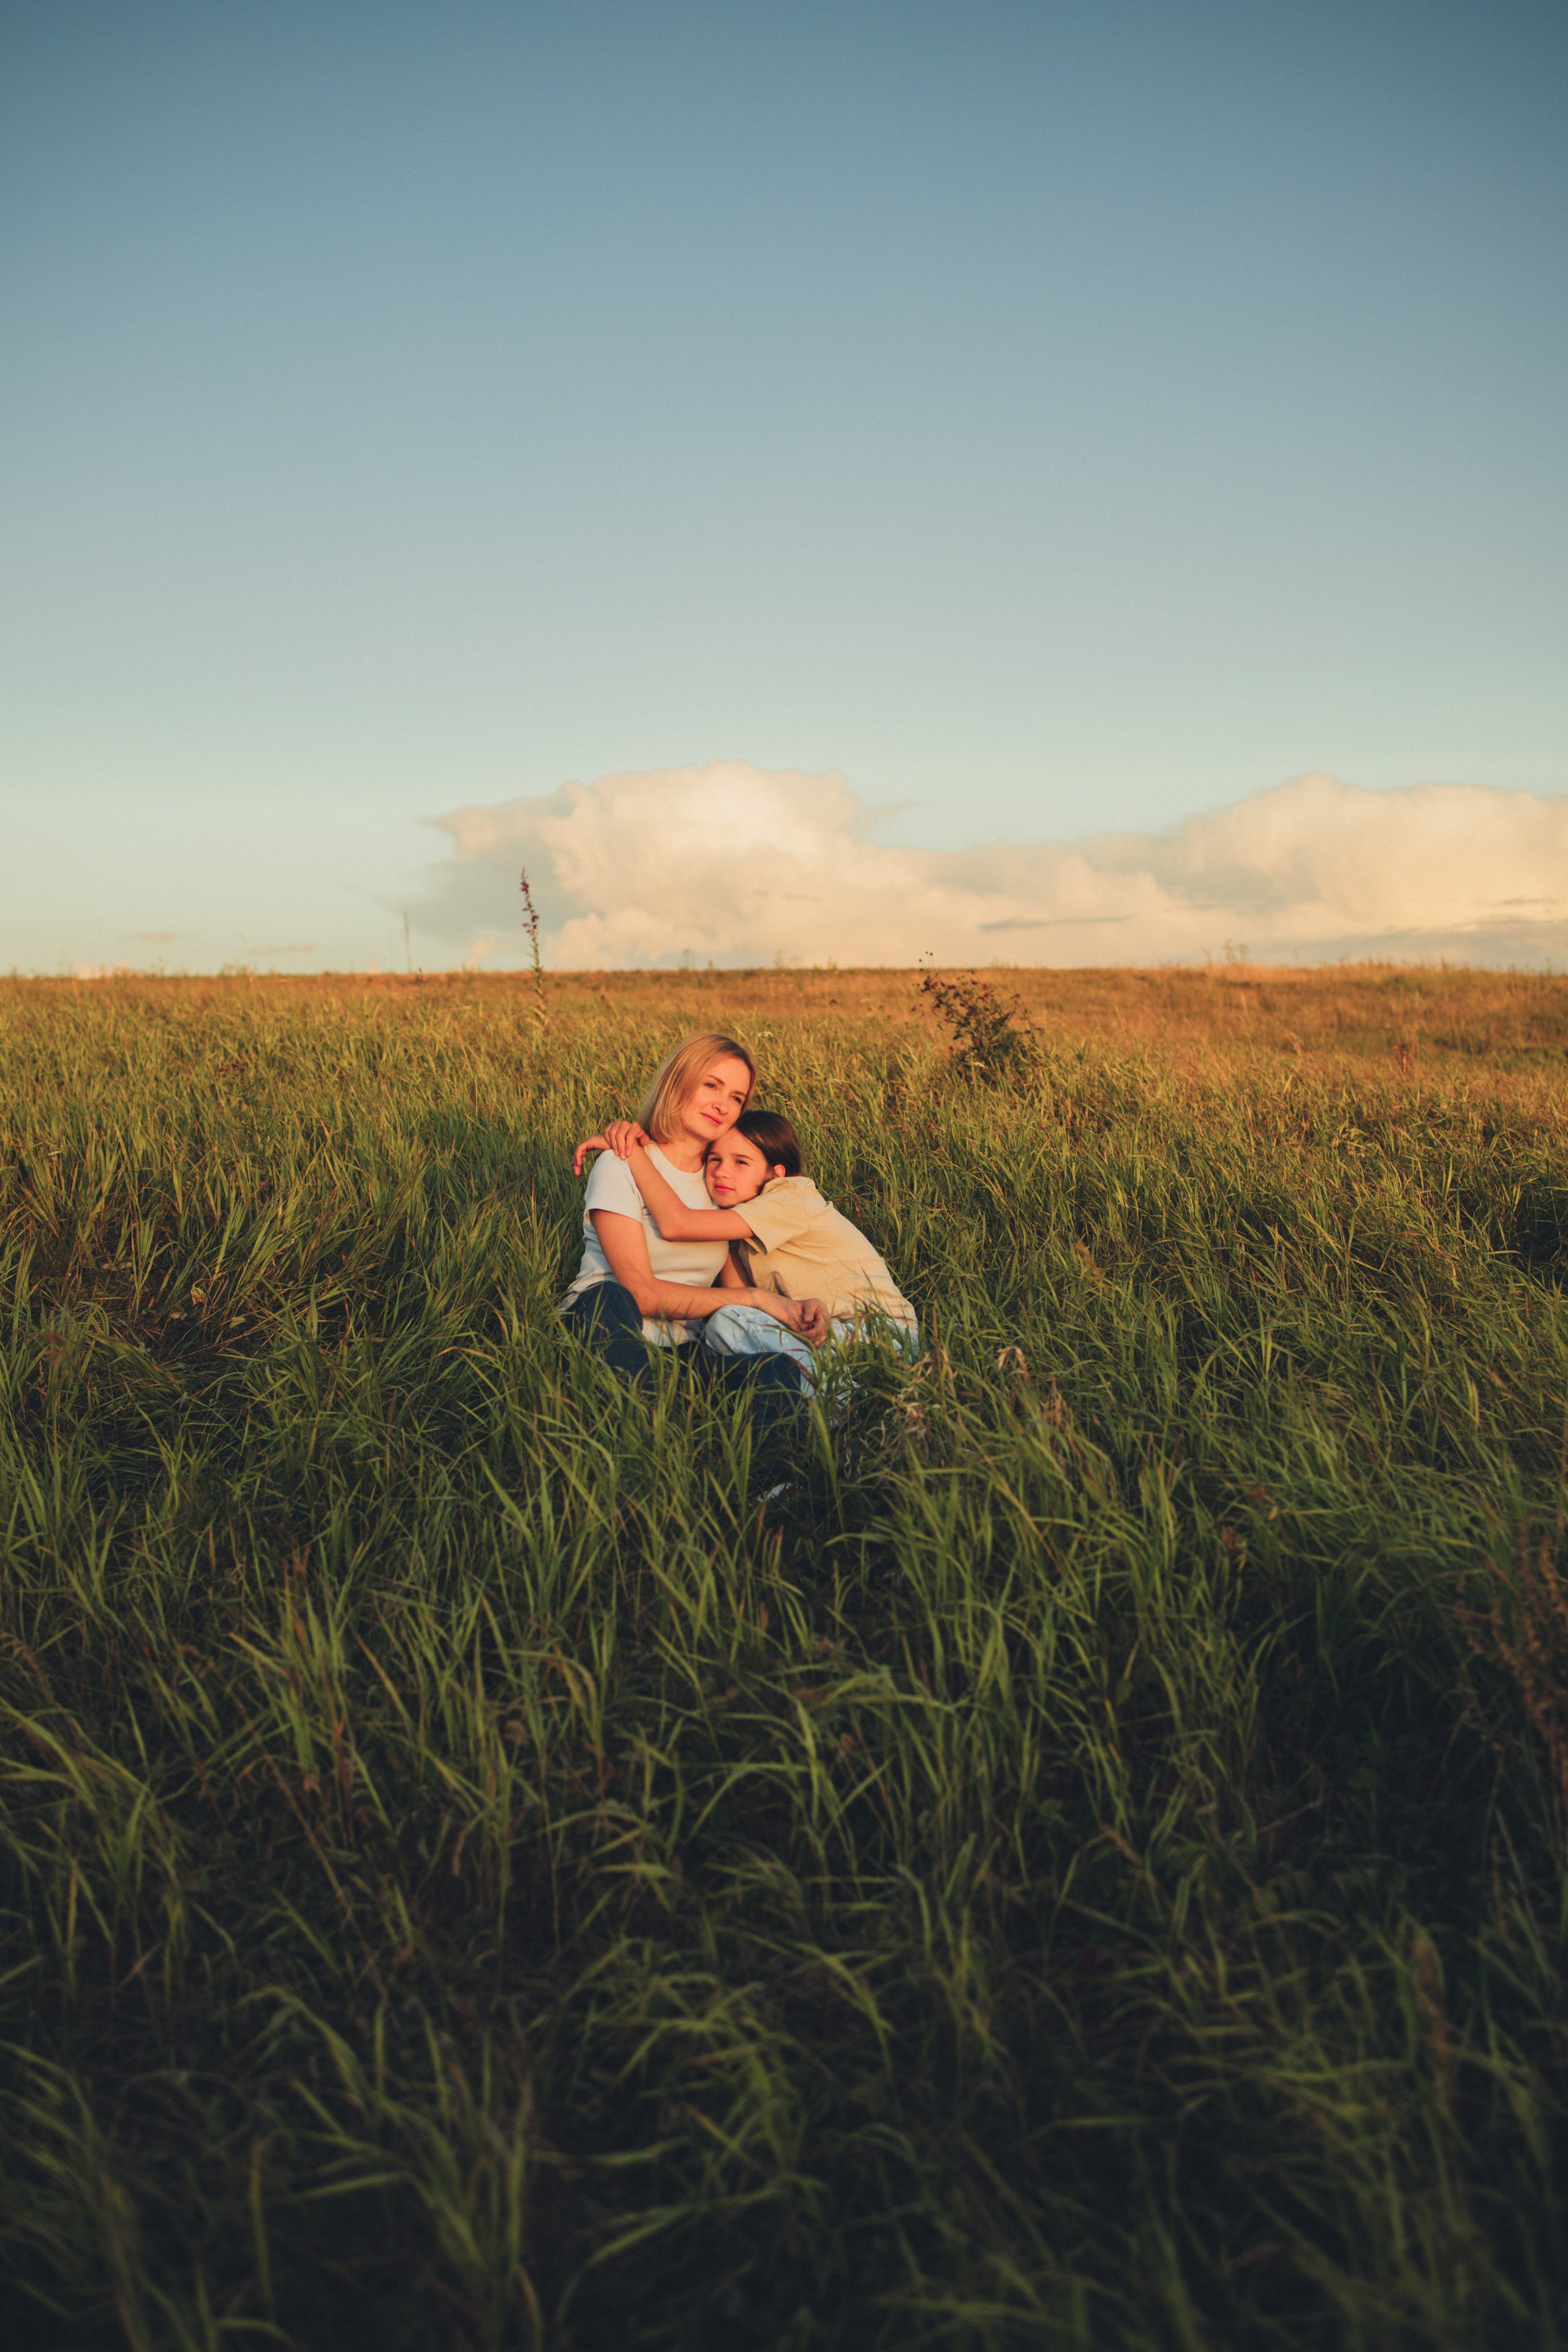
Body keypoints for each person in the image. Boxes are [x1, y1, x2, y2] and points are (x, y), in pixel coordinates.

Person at [560, 1033, 824, 1429]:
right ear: (679, 1081)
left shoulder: (722, 1182)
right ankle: (646, 1444)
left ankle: (775, 1489)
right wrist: (756, 1298)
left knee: (776, 1373)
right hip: (606, 1326)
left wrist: (793, 1311)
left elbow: (733, 1290)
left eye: (737, 1097)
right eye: (712, 1085)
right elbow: (641, 1293)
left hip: (683, 1350)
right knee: (609, 1297)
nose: (723, 1105)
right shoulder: (622, 1163)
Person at [573, 1106, 916, 1392]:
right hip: (821, 1329)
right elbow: (741, 1296)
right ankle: (817, 1389)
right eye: (715, 1160)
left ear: (773, 1173)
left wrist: (631, 1153)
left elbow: (678, 1224)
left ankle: (836, 1397)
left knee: (726, 1326)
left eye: (741, 1163)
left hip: (881, 1330)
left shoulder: (790, 1195)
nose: (723, 1172)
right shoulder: (735, 1222)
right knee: (727, 1324)